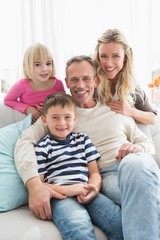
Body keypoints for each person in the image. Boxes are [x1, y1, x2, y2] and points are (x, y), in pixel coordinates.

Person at [14, 55, 160, 240]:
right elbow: (24, 142)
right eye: (74, 79)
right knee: (146, 202)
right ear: (66, 82)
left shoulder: (115, 109)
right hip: (100, 175)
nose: (80, 85)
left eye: (86, 78)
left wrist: (134, 149)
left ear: (96, 80)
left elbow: (147, 143)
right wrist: (34, 185)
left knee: (137, 168)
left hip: (129, 167)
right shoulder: (61, 114)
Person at [35, 92, 123, 240]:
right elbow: (39, 184)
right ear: (44, 120)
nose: (62, 123)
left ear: (75, 118)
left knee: (116, 219)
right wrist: (67, 190)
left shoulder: (83, 140)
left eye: (67, 117)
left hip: (87, 192)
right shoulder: (42, 146)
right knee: (79, 225)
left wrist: (94, 189)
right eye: (55, 117)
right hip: (60, 197)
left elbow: (94, 173)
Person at [93, 28, 157, 125]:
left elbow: (153, 119)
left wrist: (131, 111)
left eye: (116, 56)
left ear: (125, 58)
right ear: (98, 57)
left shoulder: (131, 85)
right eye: (104, 56)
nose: (109, 64)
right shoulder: (92, 83)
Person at [4, 43, 65, 122]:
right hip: (30, 124)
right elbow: (8, 100)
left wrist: (51, 107)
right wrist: (28, 109)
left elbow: (64, 102)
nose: (44, 69)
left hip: (53, 123)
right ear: (27, 66)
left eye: (48, 63)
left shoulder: (58, 84)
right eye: (37, 64)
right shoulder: (22, 85)